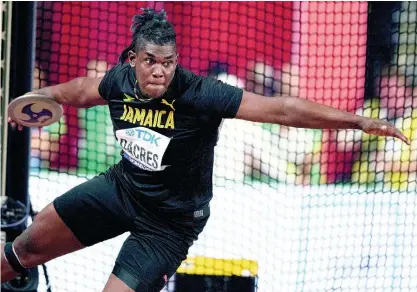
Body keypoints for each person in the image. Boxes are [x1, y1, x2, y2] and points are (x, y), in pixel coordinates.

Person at [2, 8, 410, 292]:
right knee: (22, 252)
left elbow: (283, 109)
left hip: (169, 225)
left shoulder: (201, 93)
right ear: (132, 60)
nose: (160, 70)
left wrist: (357, 120)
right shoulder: (118, 81)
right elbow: (74, 92)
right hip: (120, 190)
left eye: (168, 61)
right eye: (150, 61)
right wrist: (34, 100)